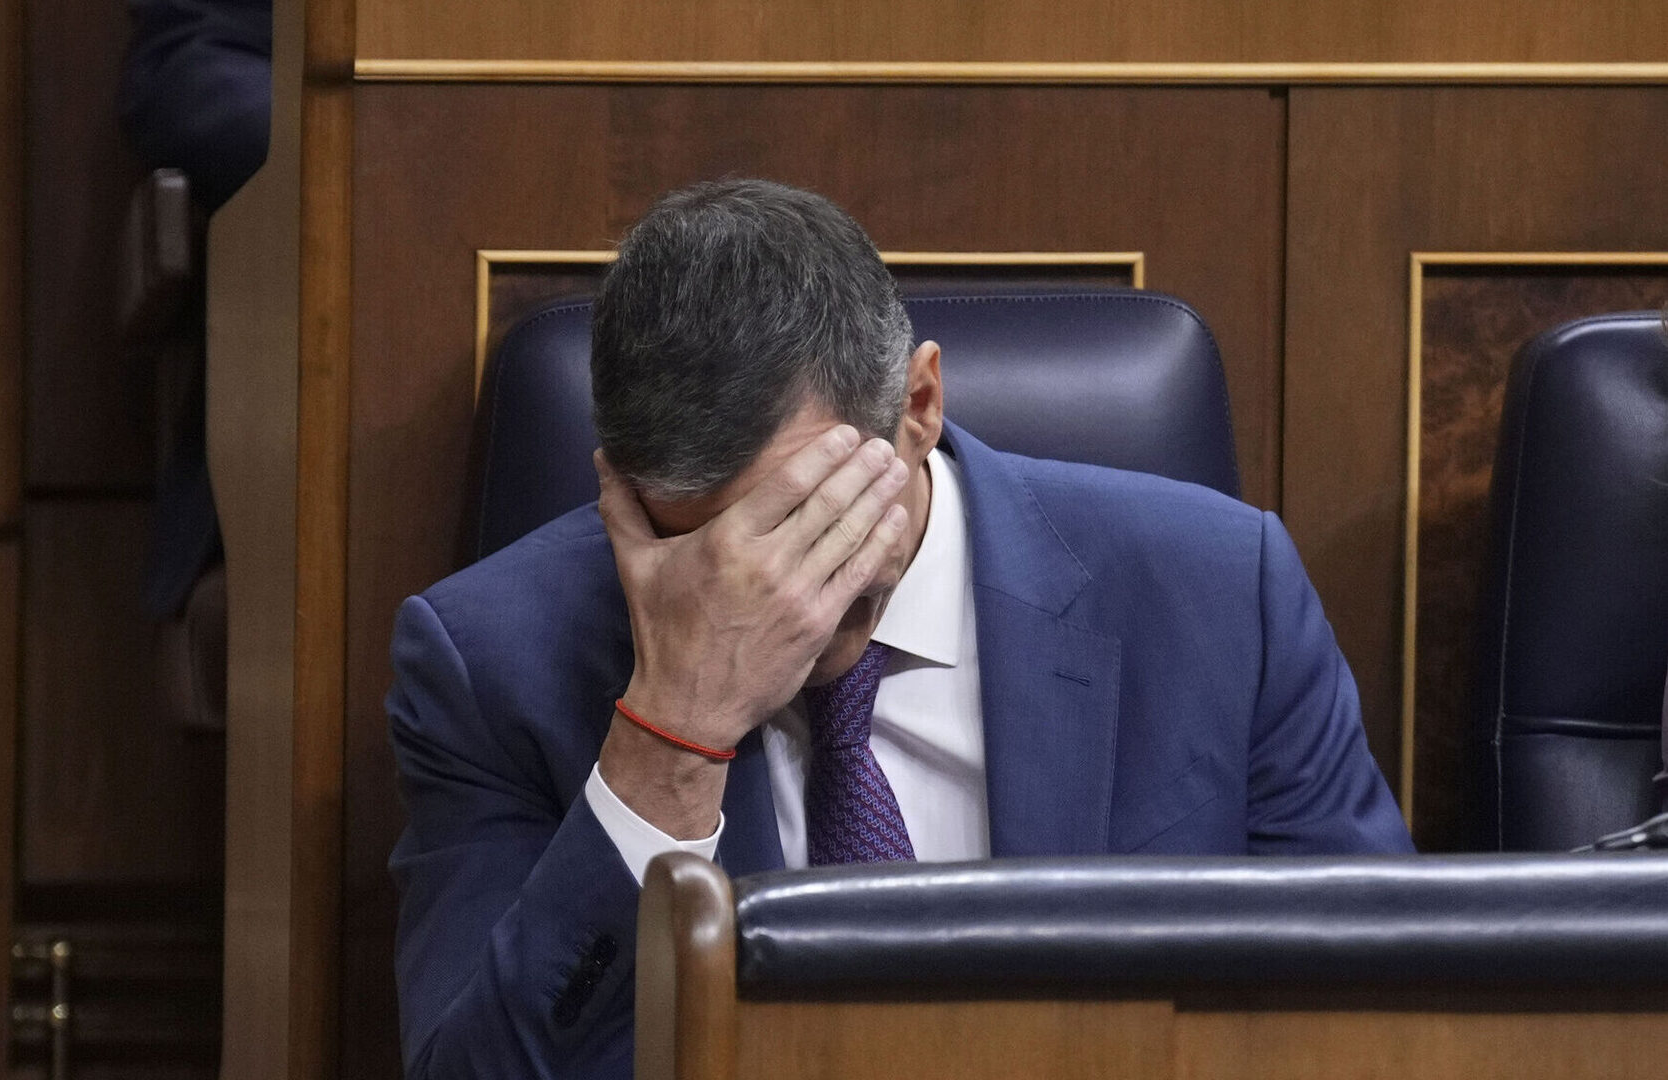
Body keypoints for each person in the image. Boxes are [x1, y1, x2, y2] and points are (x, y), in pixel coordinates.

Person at [387, 179, 1414, 1079]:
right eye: (691, 538)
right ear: (618, 481)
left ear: (917, 405)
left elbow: (1385, 1019)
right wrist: (670, 738)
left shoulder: (1221, 594)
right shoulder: (490, 663)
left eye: (802, 517)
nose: (757, 584)